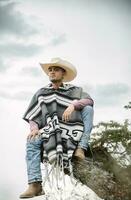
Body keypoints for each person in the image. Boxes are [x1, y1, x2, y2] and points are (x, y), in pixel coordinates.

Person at [19, 57, 94, 198]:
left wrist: (73, 104)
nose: (52, 72)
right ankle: (35, 184)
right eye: (50, 70)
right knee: (32, 140)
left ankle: (81, 148)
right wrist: (34, 128)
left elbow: (89, 100)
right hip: (50, 128)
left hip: (71, 127)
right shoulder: (41, 93)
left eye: (56, 70)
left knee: (88, 109)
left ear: (63, 74)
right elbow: (33, 115)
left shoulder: (75, 90)